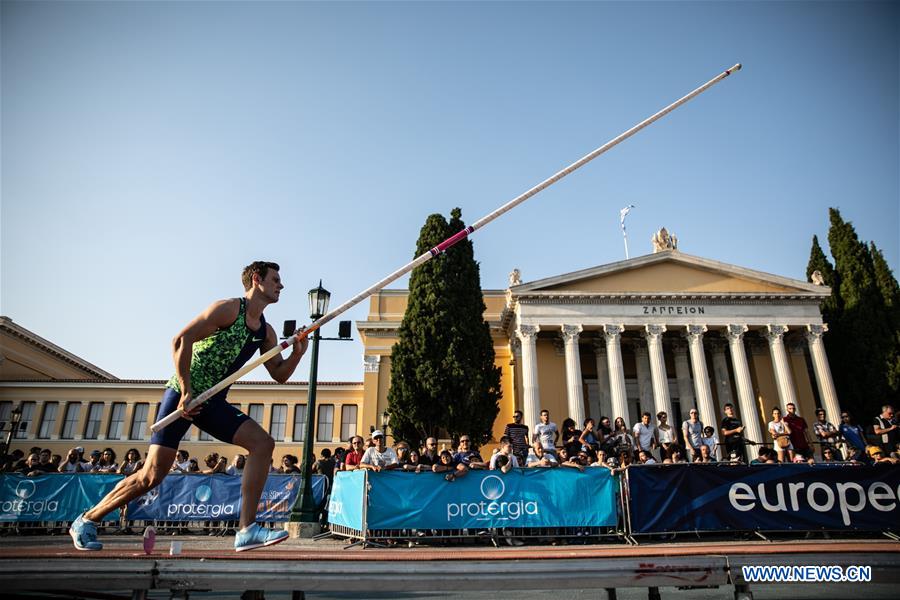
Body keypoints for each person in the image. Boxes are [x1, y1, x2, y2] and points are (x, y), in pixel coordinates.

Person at [70, 261, 309, 552]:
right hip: (183, 394)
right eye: (275, 280)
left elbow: (280, 375)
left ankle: (246, 530)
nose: (281, 285)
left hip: (212, 400)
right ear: (256, 279)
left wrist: (298, 353)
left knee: (262, 444)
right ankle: (87, 519)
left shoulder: (266, 333)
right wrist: (186, 390)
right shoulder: (228, 309)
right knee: (151, 475)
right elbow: (180, 340)